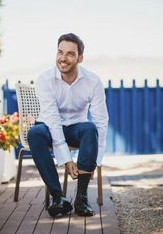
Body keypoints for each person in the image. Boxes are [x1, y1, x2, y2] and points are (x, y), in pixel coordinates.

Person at [27, 33, 108, 217]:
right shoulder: (45, 79)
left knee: (90, 128)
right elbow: (54, 121)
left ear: (80, 58)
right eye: (60, 52)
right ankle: (58, 198)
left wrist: (96, 162)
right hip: (48, 125)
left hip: (75, 127)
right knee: (34, 133)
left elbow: (101, 121)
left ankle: (81, 198)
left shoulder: (93, 81)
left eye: (70, 54)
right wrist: (66, 158)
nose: (63, 58)